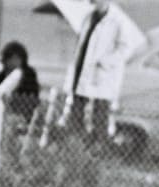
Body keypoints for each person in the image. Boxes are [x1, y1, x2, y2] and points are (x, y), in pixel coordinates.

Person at [60, 0, 145, 146]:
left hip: (101, 79)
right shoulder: (88, 17)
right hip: (82, 75)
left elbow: (126, 49)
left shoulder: (118, 20)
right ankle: (77, 149)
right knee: (77, 115)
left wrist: (105, 62)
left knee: (99, 117)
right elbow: (82, 44)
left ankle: (99, 150)